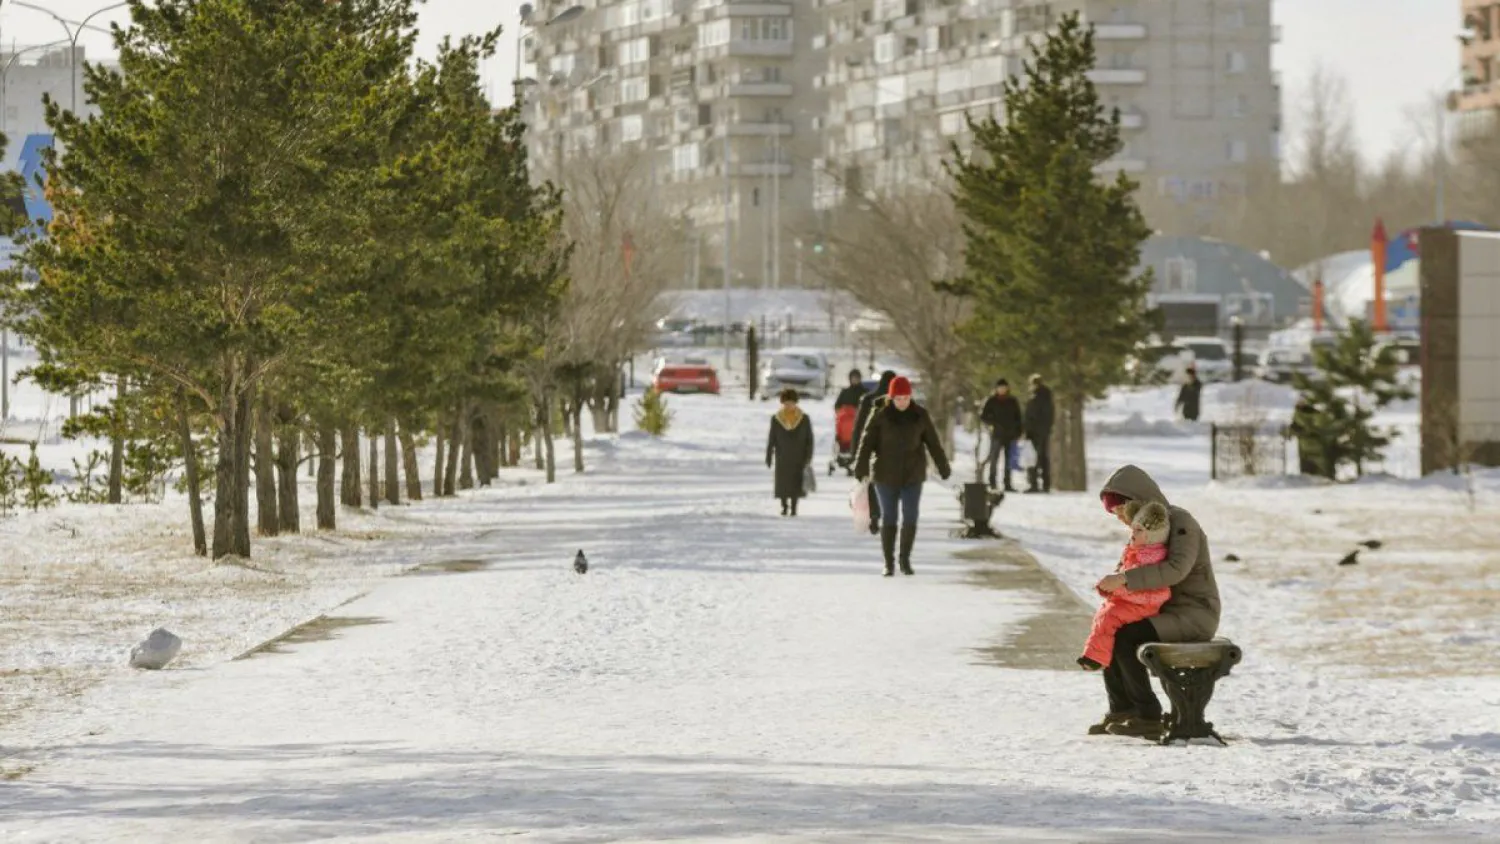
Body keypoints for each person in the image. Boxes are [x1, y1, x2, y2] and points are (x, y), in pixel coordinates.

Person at [1090, 465, 1221, 740]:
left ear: (1135, 501)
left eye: (1119, 511)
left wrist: (1124, 580)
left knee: (1127, 637)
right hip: (1164, 611)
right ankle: (1122, 709)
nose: (1120, 519)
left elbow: (1176, 569)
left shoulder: (1181, 522)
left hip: (1194, 613)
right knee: (1110, 630)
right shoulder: (1146, 529)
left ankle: (1147, 715)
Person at [853, 376, 951, 577]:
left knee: (911, 515)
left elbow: (933, 442)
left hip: (912, 474)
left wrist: (943, 466)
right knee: (889, 517)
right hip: (884, 473)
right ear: (891, 397)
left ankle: (904, 559)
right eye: (898, 398)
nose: (902, 402)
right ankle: (888, 562)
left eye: (906, 398)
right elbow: (866, 442)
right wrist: (860, 467)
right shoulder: (879, 415)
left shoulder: (920, 415)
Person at [1078, 500, 1171, 670]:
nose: (1132, 534)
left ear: (1151, 536)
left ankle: (1095, 659)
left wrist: (1119, 590)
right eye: (1133, 529)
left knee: (1109, 617)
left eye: (1139, 530)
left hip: (1143, 608)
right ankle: (1096, 656)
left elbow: (1157, 593)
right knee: (1104, 613)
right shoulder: (1137, 552)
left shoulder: (1152, 560)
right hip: (1131, 603)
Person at [852, 370, 898, 534]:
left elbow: (859, 428)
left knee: (871, 484)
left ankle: (874, 515)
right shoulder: (897, 402)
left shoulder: (868, 400)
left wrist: (855, 451)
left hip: (870, 449)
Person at [766, 388, 814, 516]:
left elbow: (810, 439)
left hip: (799, 456)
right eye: (786, 403)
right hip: (782, 456)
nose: (789, 405)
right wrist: (769, 455)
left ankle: (793, 507)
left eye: (791, 403)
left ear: (796, 402)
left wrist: (808, 456)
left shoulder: (804, 419)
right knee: (783, 483)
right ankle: (784, 506)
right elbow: (772, 438)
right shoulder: (777, 419)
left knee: (796, 483)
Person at [979, 378, 1025, 492]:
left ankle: (1007, 483)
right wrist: (992, 423)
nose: (1002, 390)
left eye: (1004, 387)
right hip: (997, 434)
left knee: (1008, 461)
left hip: (1010, 434)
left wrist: (1019, 432)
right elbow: (984, 416)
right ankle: (992, 482)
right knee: (994, 459)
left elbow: (1018, 417)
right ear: (997, 389)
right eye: (1000, 388)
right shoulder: (992, 401)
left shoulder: (1012, 401)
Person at [1023, 374, 1053, 494]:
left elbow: (1031, 417)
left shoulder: (1036, 398)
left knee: (1033, 458)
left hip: (1035, 433)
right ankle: (1045, 484)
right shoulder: (1047, 398)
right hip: (1043, 432)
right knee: (1043, 458)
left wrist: (1028, 430)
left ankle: (1034, 483)